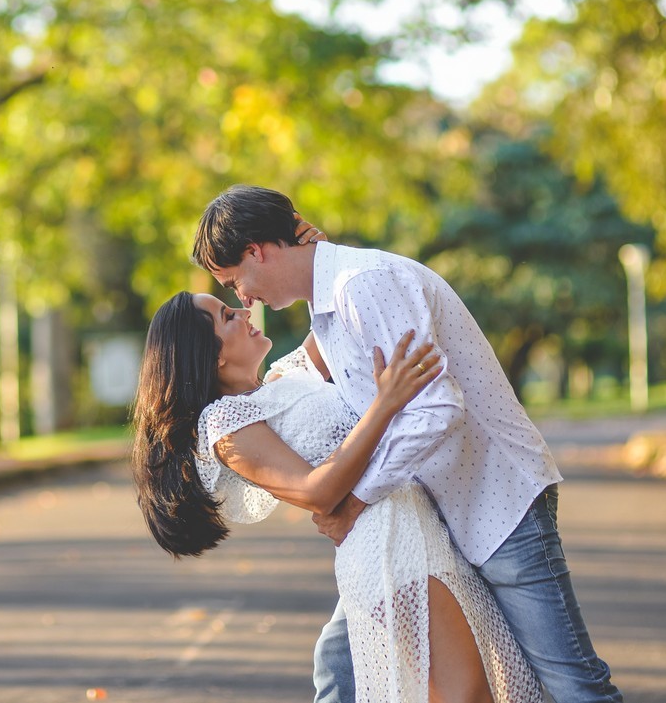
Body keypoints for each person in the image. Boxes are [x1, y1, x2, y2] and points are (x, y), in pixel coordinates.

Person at [191, 185, 623, 703]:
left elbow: (437, 407)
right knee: (339, 665)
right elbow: (305, 385)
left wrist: (355, 499)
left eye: (235, 280)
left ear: (257, 251)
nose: (243, 299)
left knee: (570, 683)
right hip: (424, 522)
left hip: (495, 504)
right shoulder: (329, 305)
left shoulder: (362, 285)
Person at [131, 291, 544, 703]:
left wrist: (314, 244)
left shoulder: (284, 377)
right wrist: (385, 404)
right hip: (384, 548)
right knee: (466, 695)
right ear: (214, 354)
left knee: (488, 687)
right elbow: (317, 491)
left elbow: (331, 307)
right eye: (226, 316)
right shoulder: (225, 421)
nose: (243, 311)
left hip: (423, 528)